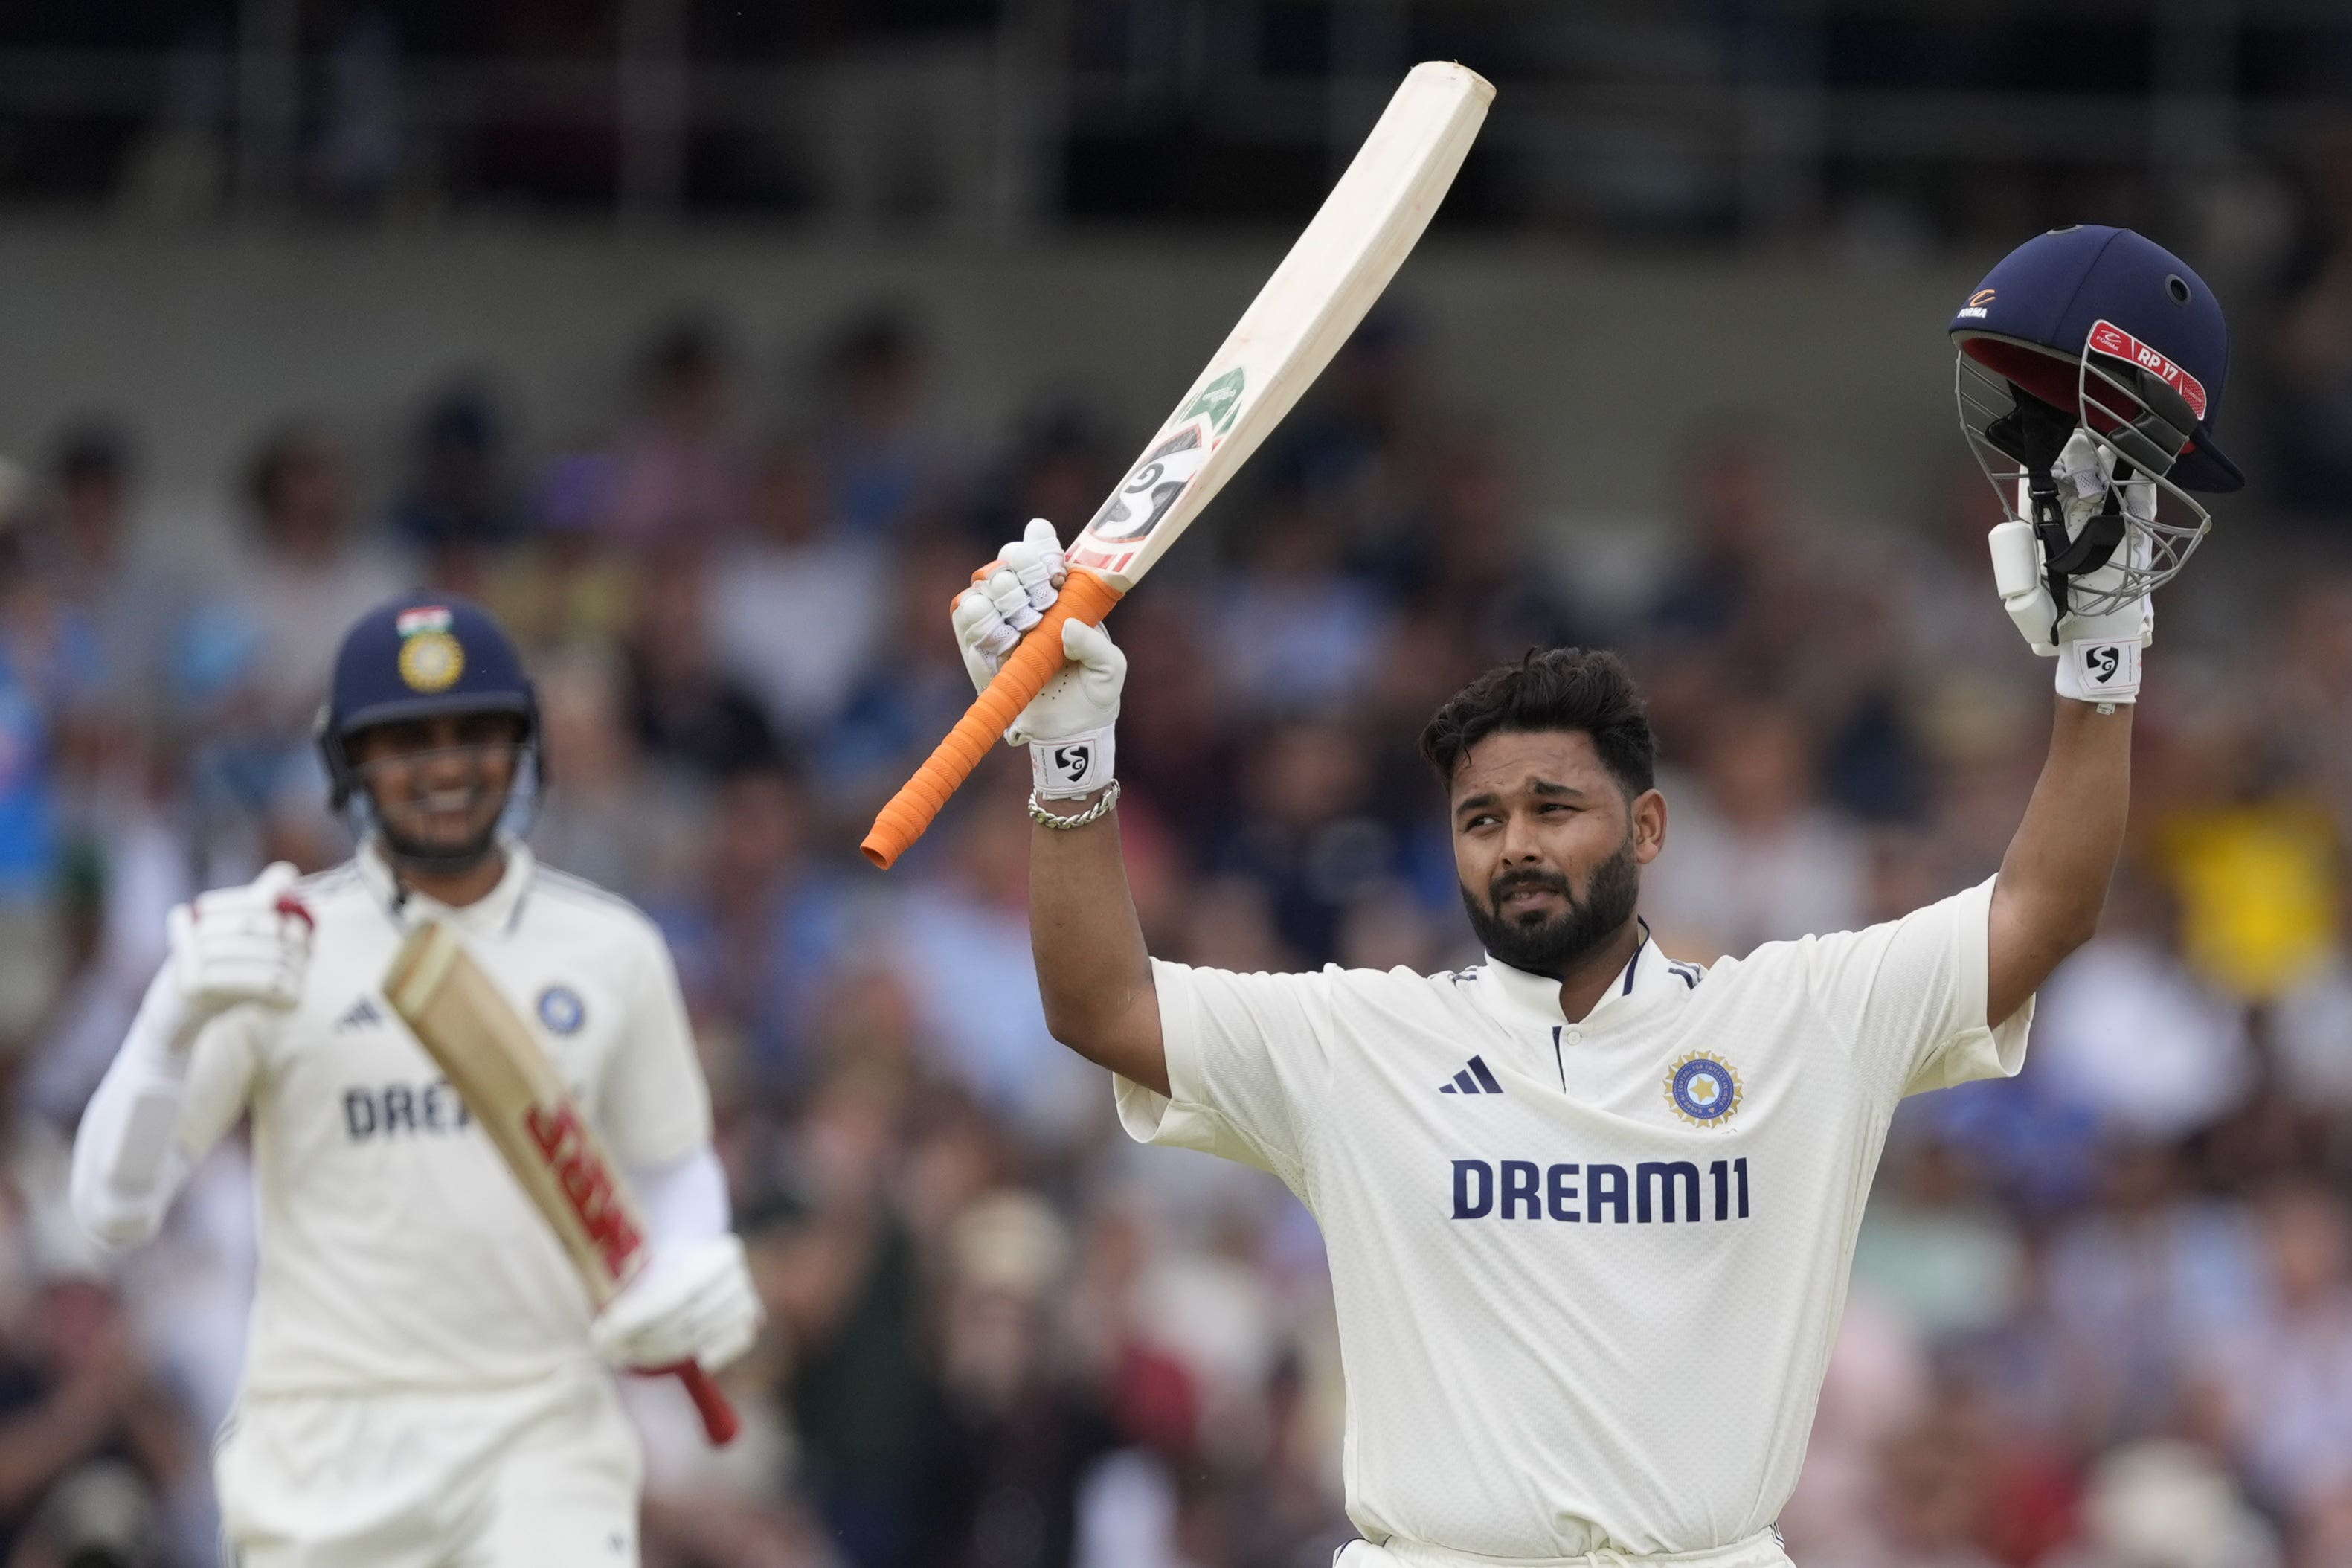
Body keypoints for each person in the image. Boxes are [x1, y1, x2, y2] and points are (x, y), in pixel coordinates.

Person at [945, 226, 2239, 1566]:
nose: (1514, 844)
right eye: (1480, 819)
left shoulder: (1798, 1021)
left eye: (1552, 808)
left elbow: (2042, 910)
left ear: (1649, 826)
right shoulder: (1359, 1042)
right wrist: (1069, 754)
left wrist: (2100, 661)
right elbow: (1098, 1003)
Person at [67, 593, 763, 1567]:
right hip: (326, 1460)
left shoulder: (611, 949)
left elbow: (672, 1166)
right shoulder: (280, 944)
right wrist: (166, 1029)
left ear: (523, 746)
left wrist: (693, 1260)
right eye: (404, 742)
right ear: (345, 761)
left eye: (473, 733)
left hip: (544, 1451)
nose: (443, 768)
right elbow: (111, 1212)